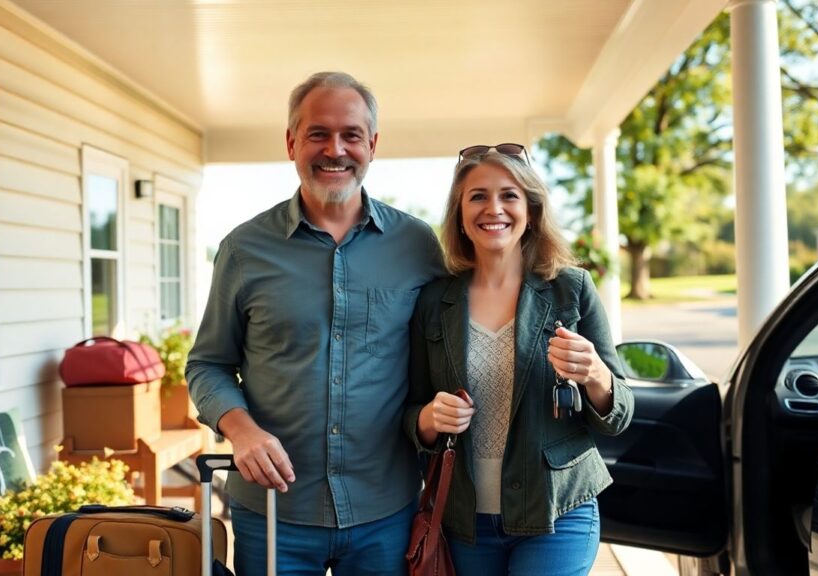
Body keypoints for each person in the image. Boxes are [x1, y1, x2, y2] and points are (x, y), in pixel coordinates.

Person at [186, 71, 444, 576]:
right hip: (274, 512)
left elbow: (451, 348)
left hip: (385, 512)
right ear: (291, 143)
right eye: (318, 134)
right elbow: (207, 365)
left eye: (351, 135)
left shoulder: (418, 246)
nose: (335, 149)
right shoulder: (243, 250)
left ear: (372, 145)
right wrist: (242, 432)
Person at [404, 144, 634, 576]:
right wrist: (430, 419)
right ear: (460, 213)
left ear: (531, 208)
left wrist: (597, 376)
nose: (494, 208)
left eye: (509, 195)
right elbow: (410, 413)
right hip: (464, 522)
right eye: (478, 196)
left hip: (557, 513)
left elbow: (620, 414)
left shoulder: (572, 289)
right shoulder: (434, 301)